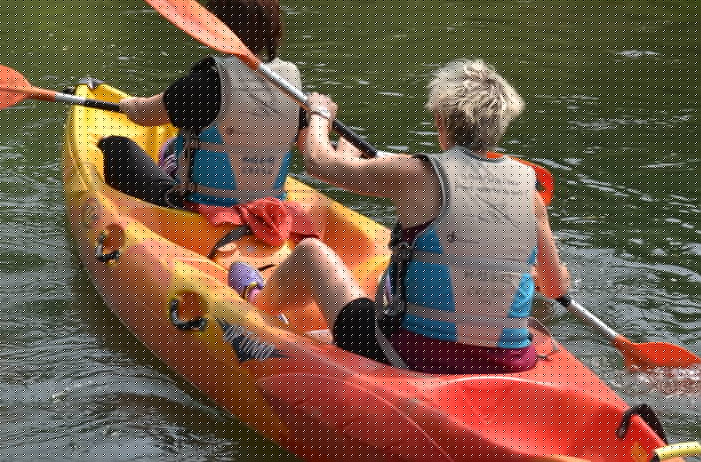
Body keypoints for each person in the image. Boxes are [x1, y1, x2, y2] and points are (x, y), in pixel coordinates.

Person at [228, 59, 571, 374]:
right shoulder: (529, 193)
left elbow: (317, 163)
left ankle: (259, 307)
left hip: (414, 357)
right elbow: (555, 288)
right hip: (510, 362)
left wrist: (319, 116)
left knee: (311, 254)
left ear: (440, 120)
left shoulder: (417, 174)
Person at [98, 0, 315, 244]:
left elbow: (146, 115)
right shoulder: (292, 83)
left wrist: (128, 105)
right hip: (270, 210)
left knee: (118, 148)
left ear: (213, 27)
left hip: (202, 215)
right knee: (175, 145)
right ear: (274, 28)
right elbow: (310, 151)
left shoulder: (208, 81)